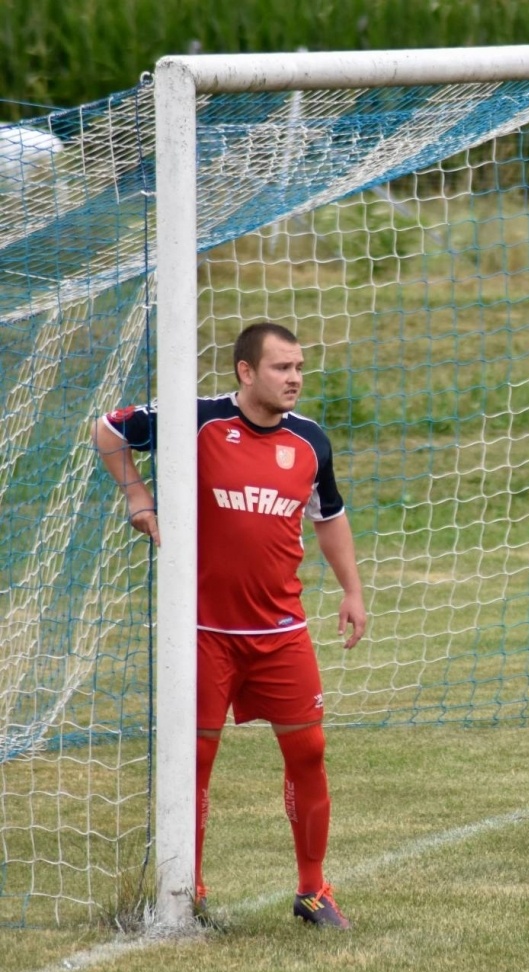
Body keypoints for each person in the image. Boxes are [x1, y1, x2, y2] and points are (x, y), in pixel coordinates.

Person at [93, 322, 367, 928]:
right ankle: (184, 893)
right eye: (281, 367)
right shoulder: (197, 419)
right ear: (246, 372)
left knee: (310, 750)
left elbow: (330, 516)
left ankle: (313, 891)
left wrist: (352, 589)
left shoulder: (310, 441)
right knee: (193, 759)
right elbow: (108, 429)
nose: (294, 378)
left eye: (298, 367)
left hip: (280, 631)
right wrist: (138, 497)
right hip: (203, 632)